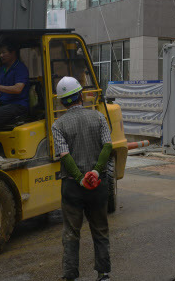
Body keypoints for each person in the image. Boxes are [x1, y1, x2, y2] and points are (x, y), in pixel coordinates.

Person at [51, 76, 113, 281]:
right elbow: (107, 146)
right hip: (98, 185)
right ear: (81, 96)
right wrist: (95, 172)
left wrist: (79, 178)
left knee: (71, 233)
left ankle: (71, 276)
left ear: (61, 101)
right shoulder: (99, 118)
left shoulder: (58, 125)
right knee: (100, 230)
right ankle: (103, 275)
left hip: (73, 187)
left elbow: (64, 155)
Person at [0, 40, 30, 131]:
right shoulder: (3, 69)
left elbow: (18, 89)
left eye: (4, 52)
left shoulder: (20, 68)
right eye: (0, 53)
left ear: (13, 53)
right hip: (4, 104)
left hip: (18, 105)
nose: (1, 56)